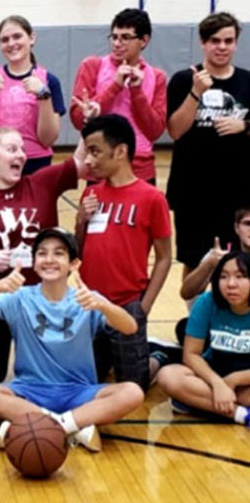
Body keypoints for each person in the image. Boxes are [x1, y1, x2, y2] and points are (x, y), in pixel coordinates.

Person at [0, 228, 143, 452]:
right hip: (29, 391)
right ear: (33, 262)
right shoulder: (19, 297)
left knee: (133, 392)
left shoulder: (87, 298)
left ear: (73, 264)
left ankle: (36, 423)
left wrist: (104, 306)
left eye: (59, 253)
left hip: (79, 391)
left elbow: (130, 327)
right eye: (42, 253)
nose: (49, 260)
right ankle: (73, 426)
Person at [0, 126, 86, 384]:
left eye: (22, 149)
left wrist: (86, 124)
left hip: (40, 301)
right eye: (12, 149)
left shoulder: (42, 183)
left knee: (46, 378)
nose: (21, 155)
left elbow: (80, 163)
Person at [76, 114, 171, 391]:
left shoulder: (152, 198)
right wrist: (81, 220)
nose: (88, 160)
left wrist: (143, 307)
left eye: (95, 151)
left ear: (120, 151)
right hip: (91, 304)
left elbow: (164, 257)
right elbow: (78, 252)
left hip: (128, 304)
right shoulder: (91, 194)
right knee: (85, 379)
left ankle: (158, 356)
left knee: (134, 385)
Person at [166, 12, 250, 282]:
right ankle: (195, 310)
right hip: (192, 191)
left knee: (240, 260)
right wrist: (196, 92)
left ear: (236, 43)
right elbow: (175, 130)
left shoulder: (247, 81)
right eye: (215, 41)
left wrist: (245, 125)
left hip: (238, 191)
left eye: (228, 41)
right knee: (194, 260)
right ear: (203, 42)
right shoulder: (183, 80)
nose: (222, 47)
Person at [70, 8, 167, 184]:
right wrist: (115, 86)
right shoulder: (92, 66)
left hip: (140, 169)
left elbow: (154, 131)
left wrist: (137, 91)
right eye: (114, 37)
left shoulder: (156, 76)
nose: (117, 43)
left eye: (125, 37)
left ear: (144, 40)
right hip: (100, 167)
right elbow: (77, 120)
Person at [157, 251, 250, 427]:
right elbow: (191, 354)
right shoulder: (207, 302)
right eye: (223, 277)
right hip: (210, 377)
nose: (231, 284)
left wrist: (234, 380)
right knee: (168, 376)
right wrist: (217, 383)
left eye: (240, 277)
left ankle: (198, 402)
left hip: (246, 382)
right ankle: (241, 414)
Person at [0, 15, 65, 175]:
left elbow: (48, 140)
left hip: (36, 164)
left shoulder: (49, 81)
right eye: (5, 40)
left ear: (31, 38)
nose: (11, 43)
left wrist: (43, 96)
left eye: (17, 36)